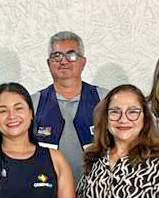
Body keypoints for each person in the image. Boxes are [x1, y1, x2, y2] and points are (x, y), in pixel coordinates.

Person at [31, 31, 109, 182]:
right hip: (47, 190)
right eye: (57, 55)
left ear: (83, 62)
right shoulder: (33, 103)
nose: (64, 61)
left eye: (71, 55)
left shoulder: (105, 100)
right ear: (49, 63)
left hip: (97, 191)